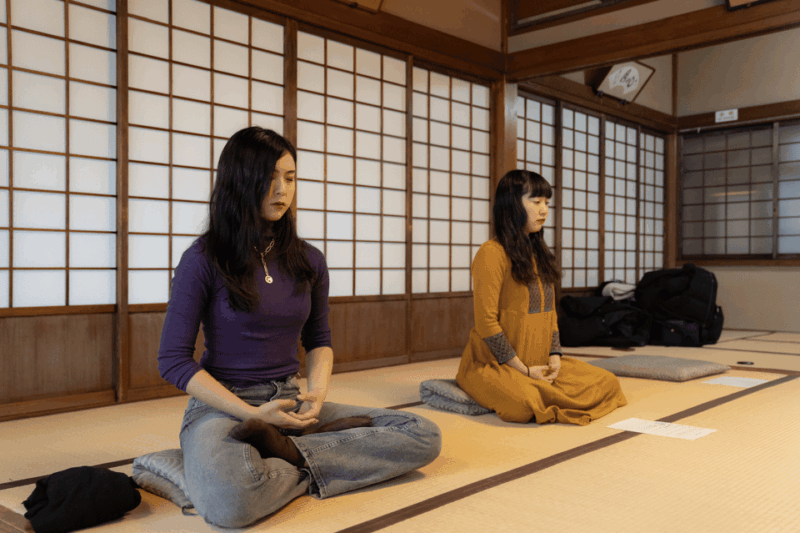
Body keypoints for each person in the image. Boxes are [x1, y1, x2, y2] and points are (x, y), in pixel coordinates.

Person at [158, 127, 441, 528]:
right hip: (223, 406)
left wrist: (318, 396)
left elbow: (319, 340)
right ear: (240, 180)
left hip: (290, 401)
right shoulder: (203, 258)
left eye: (290, 178)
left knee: (421, 432)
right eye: (270, 178)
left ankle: (284, 454)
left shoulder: (308, 259)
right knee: (230, 502)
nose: (282, 189)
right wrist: (253, 413)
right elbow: (172, 360)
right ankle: (283, 457)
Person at [456, 170, 627, 425]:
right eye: (535, 202)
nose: (544, 210)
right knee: (525, 405)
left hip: (539, 363)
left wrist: (555, 356)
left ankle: (545, 387)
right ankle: (535, 388)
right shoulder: (491, 253)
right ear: (512, 204)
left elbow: (550, 314)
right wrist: (523, 370)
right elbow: (486, 324)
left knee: (607, 382)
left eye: (547, 203)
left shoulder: (540, 254)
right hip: (494, 365)